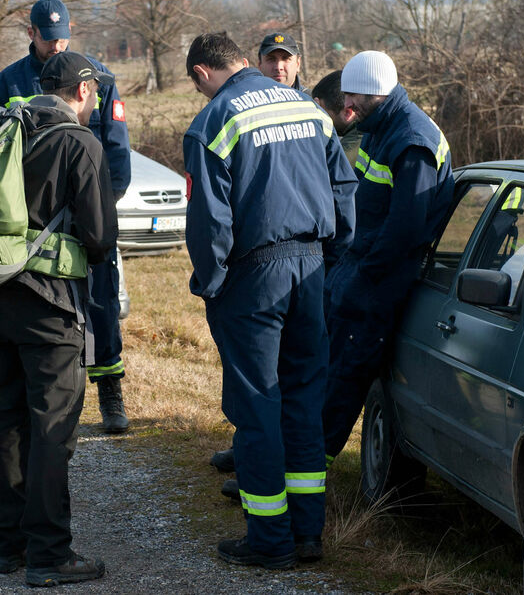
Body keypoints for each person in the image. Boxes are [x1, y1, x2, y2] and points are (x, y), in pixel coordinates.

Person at [183, 33, 356, 568]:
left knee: (257, 405)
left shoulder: (214, 120)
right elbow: (344, 188)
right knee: (303, 401)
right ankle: (307, 534)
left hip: (254, 275)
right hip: (312, 267)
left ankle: (269, 540)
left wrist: (210, 281)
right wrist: (331, 259)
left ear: (201, 73)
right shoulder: (309, 109)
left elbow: (209, 218)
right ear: (243, 60)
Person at [0, 51, 116, 586]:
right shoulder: (80, 143)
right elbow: (100, 239)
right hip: (54, 304)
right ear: (82, 91)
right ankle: (49, 554)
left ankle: (6, 547)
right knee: (52, 429)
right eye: (96, 92)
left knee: (9, 421)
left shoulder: (7, 130)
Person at [0, 0, 132, 434]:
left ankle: (110, 390)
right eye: (48, 38)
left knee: (102, 301)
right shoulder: (8, 82)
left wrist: (103, 204)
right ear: (31, 33)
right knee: (45, 307)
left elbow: (117, 148)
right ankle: (45, 393)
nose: (57, 45)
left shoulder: (98, 77)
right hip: (36, 219)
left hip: (88, 210)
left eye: (62, 37)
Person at [321, 51, 454, 467]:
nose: (347, 105)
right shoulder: (379, 126)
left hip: (378, 280)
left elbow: (405, 232)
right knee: (325, 367)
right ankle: (297, 457)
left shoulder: (412, 140)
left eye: (354, 97)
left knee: (343, 376)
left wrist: (361, 276)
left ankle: (307, 469)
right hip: (357, 267)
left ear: (377, 93)